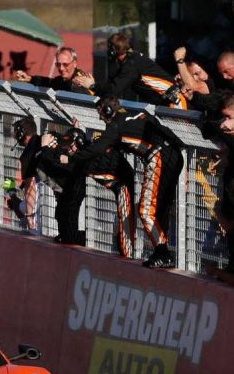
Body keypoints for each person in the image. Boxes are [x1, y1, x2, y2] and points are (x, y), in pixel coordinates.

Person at [74, 96, 185, 268]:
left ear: (107, 111)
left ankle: (163, 252)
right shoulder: (135, 115)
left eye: (100, 113)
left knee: (146, 210)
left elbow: (98, 148)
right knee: (160, 207)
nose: (100, 118)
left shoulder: (116, 126)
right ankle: (161, 251)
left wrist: (71, 156)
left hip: (160, 156)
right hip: (174, 155)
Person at [73, 33, 187, 109]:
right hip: (167, 102)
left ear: (113, 51)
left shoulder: (132, 64)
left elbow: (114, 90)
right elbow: (113, 83)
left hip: (175, 103)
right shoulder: (130, 60)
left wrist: (93, 86)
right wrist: (93, 83)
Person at [37, 128, 88, 245]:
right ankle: (66, 236)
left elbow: (58, 164)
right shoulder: (70, 153)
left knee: (70, 229)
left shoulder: (81, 158)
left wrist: (45, 148)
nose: (69, 149)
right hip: (68, 192)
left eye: (72, 146)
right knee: (60, 215)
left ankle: (87, 239)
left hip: (75, 192)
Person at [14, 47, 93, 94]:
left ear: (75, 63)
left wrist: (74, 85)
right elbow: (48, 82)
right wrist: (30, 78)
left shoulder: (82, 79)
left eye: (65, 64)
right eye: (58, 64)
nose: (61, 68)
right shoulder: (63, 80)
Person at [11, 117, 42, 231]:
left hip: (42, 206)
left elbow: (30, 185)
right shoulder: (44, 141)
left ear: (22, 134)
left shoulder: (27, 154)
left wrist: (29, 218)